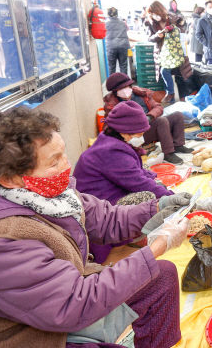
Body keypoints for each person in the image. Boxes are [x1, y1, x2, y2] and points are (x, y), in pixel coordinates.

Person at [0, 107, 191, 347]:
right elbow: (74, 304)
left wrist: (159, 207)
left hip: (59, 300)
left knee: (161, 275)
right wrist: (156, 247)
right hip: (20, 334)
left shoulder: (45, 195)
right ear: (9, 179)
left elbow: (107, 219)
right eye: (54, 161)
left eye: (64, 154)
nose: (67, 166)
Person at [73, 101, 175, 262]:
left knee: (153, 181)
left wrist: (155, 179)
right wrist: (172, 198)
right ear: (125, 132)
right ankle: (131, 238)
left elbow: (136, 171)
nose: (141, 137)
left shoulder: (111, 140)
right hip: (98, 212)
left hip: (105, 196)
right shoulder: (110, 151)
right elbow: (139, 183)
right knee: (147, 197)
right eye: (138, 133)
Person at [104, 72, 193, 165]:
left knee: (177, 115)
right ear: (115, 91)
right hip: (136, 135)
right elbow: (110, 125)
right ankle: (168, 153)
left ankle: (178, 145)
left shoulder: (141, 94)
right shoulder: (111, 104)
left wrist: (149, 117)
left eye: (127, 87)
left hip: (150, 124)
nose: (126, 90)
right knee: (161, 121)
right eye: (121, 89)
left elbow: (158, 107)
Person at [147, 0, 192, 103]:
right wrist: (157, 35)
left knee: (180, 74)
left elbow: (183, 30)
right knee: (164, 71)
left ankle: (183, 98)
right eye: (151, 14)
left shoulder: (173, 18)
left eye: (155, 13)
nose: (154, 16)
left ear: (160, 10)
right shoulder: (152, 23)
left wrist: (177, 27)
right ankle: (170, 94)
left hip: (177, 51)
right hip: (163, 52)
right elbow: (149, 38)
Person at [105, 7, 130, 75]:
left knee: (112, 67)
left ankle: (113, 85)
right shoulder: (123, 22)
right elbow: (127, 29)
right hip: (123, 46)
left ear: (108, 14)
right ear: (117, 13)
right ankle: (124, 84)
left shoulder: (105, 23)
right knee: (123, 66)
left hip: (111, 47)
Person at [196, 0, 212, 65]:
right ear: (206, 9)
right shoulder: (202, 20)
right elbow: (198, 34)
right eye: (210, 7)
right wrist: (206, 43)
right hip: (210, 49)